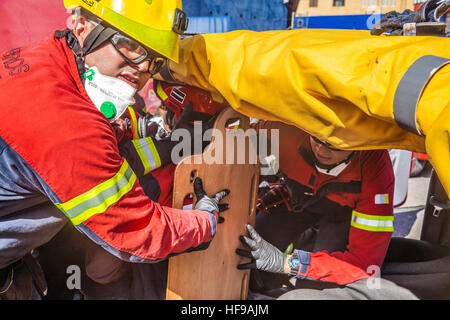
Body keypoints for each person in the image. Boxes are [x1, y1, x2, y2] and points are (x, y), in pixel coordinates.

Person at [0, 0, 230, 300]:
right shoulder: (68, 127)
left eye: (155, 59)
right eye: (130, 45)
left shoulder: (46, 59)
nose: (143, 68)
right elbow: (139, 231)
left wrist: (175, 145)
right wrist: (206, 221)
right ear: (82, 25)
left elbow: (111, 156)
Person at [236, 121, 399, 297]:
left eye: (334, 145)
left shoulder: (375, 169)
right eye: (316, 138)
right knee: (249, 242)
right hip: (295, 201)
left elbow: (363, 266)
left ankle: (305, 259)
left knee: (314, 286)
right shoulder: (286, 131)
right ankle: (266, 284)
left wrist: (284, 262)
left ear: (359, 145)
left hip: (341, 217)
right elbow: (228, 143)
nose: (321, 149)